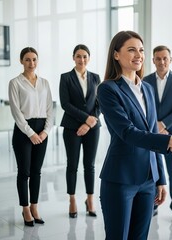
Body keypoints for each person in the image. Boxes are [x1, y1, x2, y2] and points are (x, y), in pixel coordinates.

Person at [97, 30, 172, 240]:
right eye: (131, 50)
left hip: (148, 180)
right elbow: (127, 132)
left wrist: (160, 177)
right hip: (121, 178)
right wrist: (170, 141)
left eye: (141, 50)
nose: (138, 55)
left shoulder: (148, 89)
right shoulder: (108, 89)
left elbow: (152, 131)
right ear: (116, 55)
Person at [9, 47, 54, 227]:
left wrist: (45, 131)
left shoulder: (44, 83)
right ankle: (25, 208)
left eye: (34, 59)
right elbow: (16, 112)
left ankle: (35, 207)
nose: (31, 63)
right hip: (23, 130)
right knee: (24, 172)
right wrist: (31, 133)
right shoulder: (15, 83)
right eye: (27, 59)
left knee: (37, 171)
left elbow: (50, 109)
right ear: (21, 61)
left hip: (42, 129)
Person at [143, 45, 172, 224]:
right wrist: (156, 126)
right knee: (153, 172)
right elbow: (144, 107)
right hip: (152, 134)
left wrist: (163, 124)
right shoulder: (144, 81)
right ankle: (153, 205)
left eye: (165, 58)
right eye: (158, 58)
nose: (161, 62)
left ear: (170, 60)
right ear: (153, 60)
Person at [59, 44, 101, 218]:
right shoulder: (66, 77)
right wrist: (85, 119)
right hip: (71, 127)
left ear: (89, 58)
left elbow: (100, 103)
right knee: (72, 165)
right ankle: (72, 199)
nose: (81, 59)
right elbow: (65, 104)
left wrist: (89, 123)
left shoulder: (96, 78)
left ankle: (90, 199)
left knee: (89, 165)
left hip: (93, 127)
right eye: (78, 56)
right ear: (73, 58)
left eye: (84, 56)